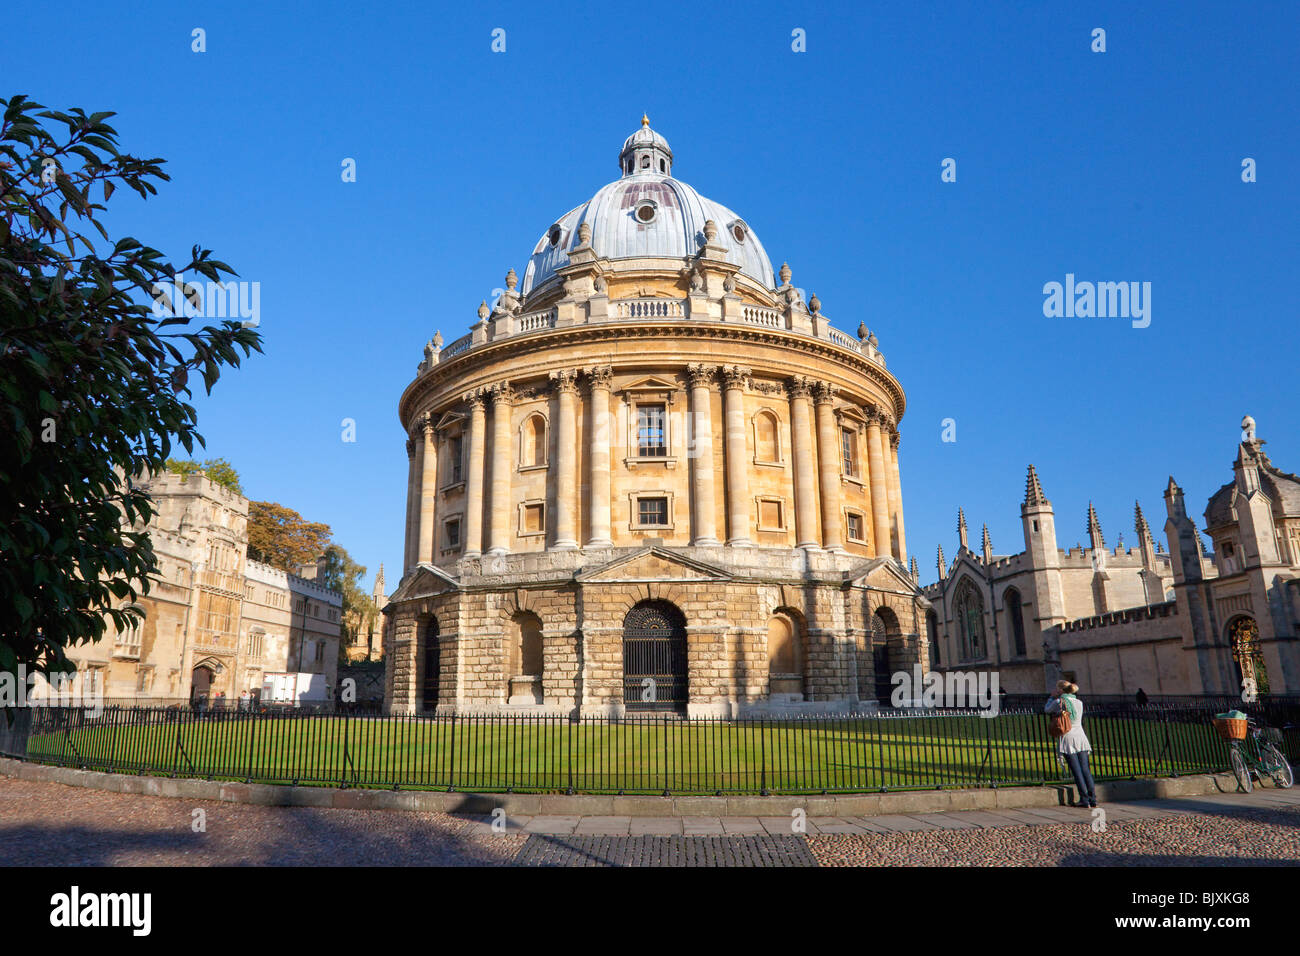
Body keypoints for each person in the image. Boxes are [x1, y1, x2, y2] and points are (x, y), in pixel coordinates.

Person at [1046, 680, 1098, 808]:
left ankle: (1084, 800)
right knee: (1086, 769)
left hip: (1068, 737)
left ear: (1060, 691)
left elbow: (1047, 709)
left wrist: (1051, 697)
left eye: (1057, 689)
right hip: (1081, 737)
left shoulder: (1059, 702)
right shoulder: (1079, 702)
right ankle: (1093, 799)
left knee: (1077, 771)